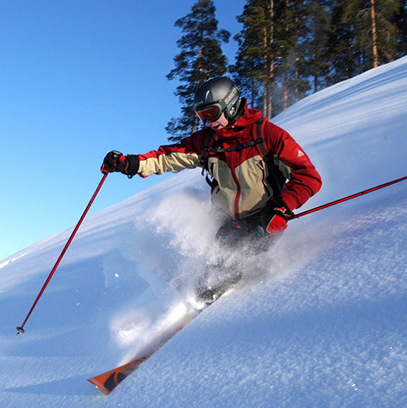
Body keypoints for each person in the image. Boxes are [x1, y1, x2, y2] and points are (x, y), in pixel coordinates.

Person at [101, 77, 322, 304]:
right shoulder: (208, 142)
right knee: (220, 251)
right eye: (201, 116)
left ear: (231, 105)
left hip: (266, 218)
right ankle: (195, 300)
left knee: (236, 255)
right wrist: (129, 163)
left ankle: (229, 301)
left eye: (211, 114)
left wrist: (281, 210)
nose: (208, 122)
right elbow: (167, 157)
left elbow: (308, 176)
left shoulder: (267, 135)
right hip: (228, 221)